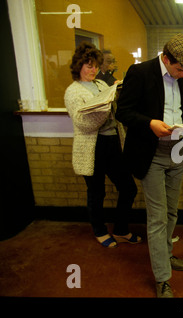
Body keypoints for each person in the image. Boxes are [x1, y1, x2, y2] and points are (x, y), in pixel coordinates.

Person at [115, 33, 183, 298]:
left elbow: (178, 109)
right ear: (166, 59)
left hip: (177, 150)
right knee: (157, 217)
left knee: (172, 212)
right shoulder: (140, 72)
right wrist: (150, 123)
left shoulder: (181, 76)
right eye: (180, 69)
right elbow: (123, 112)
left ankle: (165, 255)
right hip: (150, 152)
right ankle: (162, 278)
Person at [64, 42, 140, 249]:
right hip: (92, 147)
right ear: (78, 66)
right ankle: (99, 231)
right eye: (89, 66)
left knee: (128, 188)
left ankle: (121, 229)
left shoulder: (101, 85)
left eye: (96, 65)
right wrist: (105, 109)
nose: (93, 70)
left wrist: (118, 94)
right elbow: (84, 123)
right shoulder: (72, 92)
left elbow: (115, 113)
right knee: (96, 192)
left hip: (113, 142)